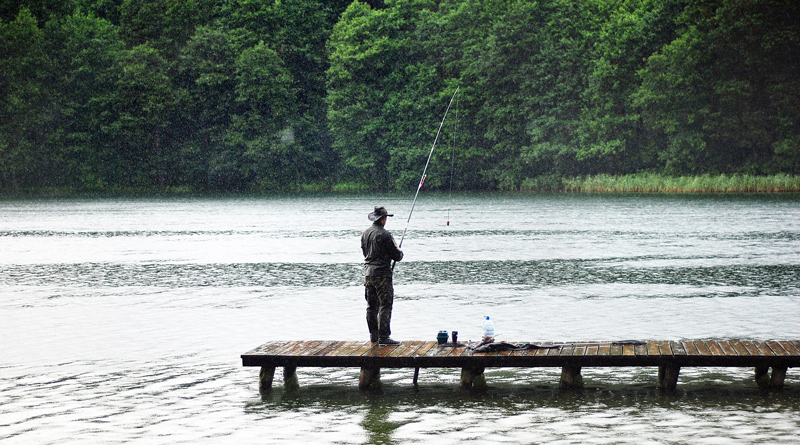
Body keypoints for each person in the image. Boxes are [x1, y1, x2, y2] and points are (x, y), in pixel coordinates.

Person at [361, 206, 404, 345]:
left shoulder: (365, 233)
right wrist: (400, 251)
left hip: (368, 274)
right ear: (383, 219)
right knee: (385, 304)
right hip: (382, 275)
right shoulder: (385, 235)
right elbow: (396, 256)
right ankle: (384, 338)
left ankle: (373, 336)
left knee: (371, 306)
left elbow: (365, 253)